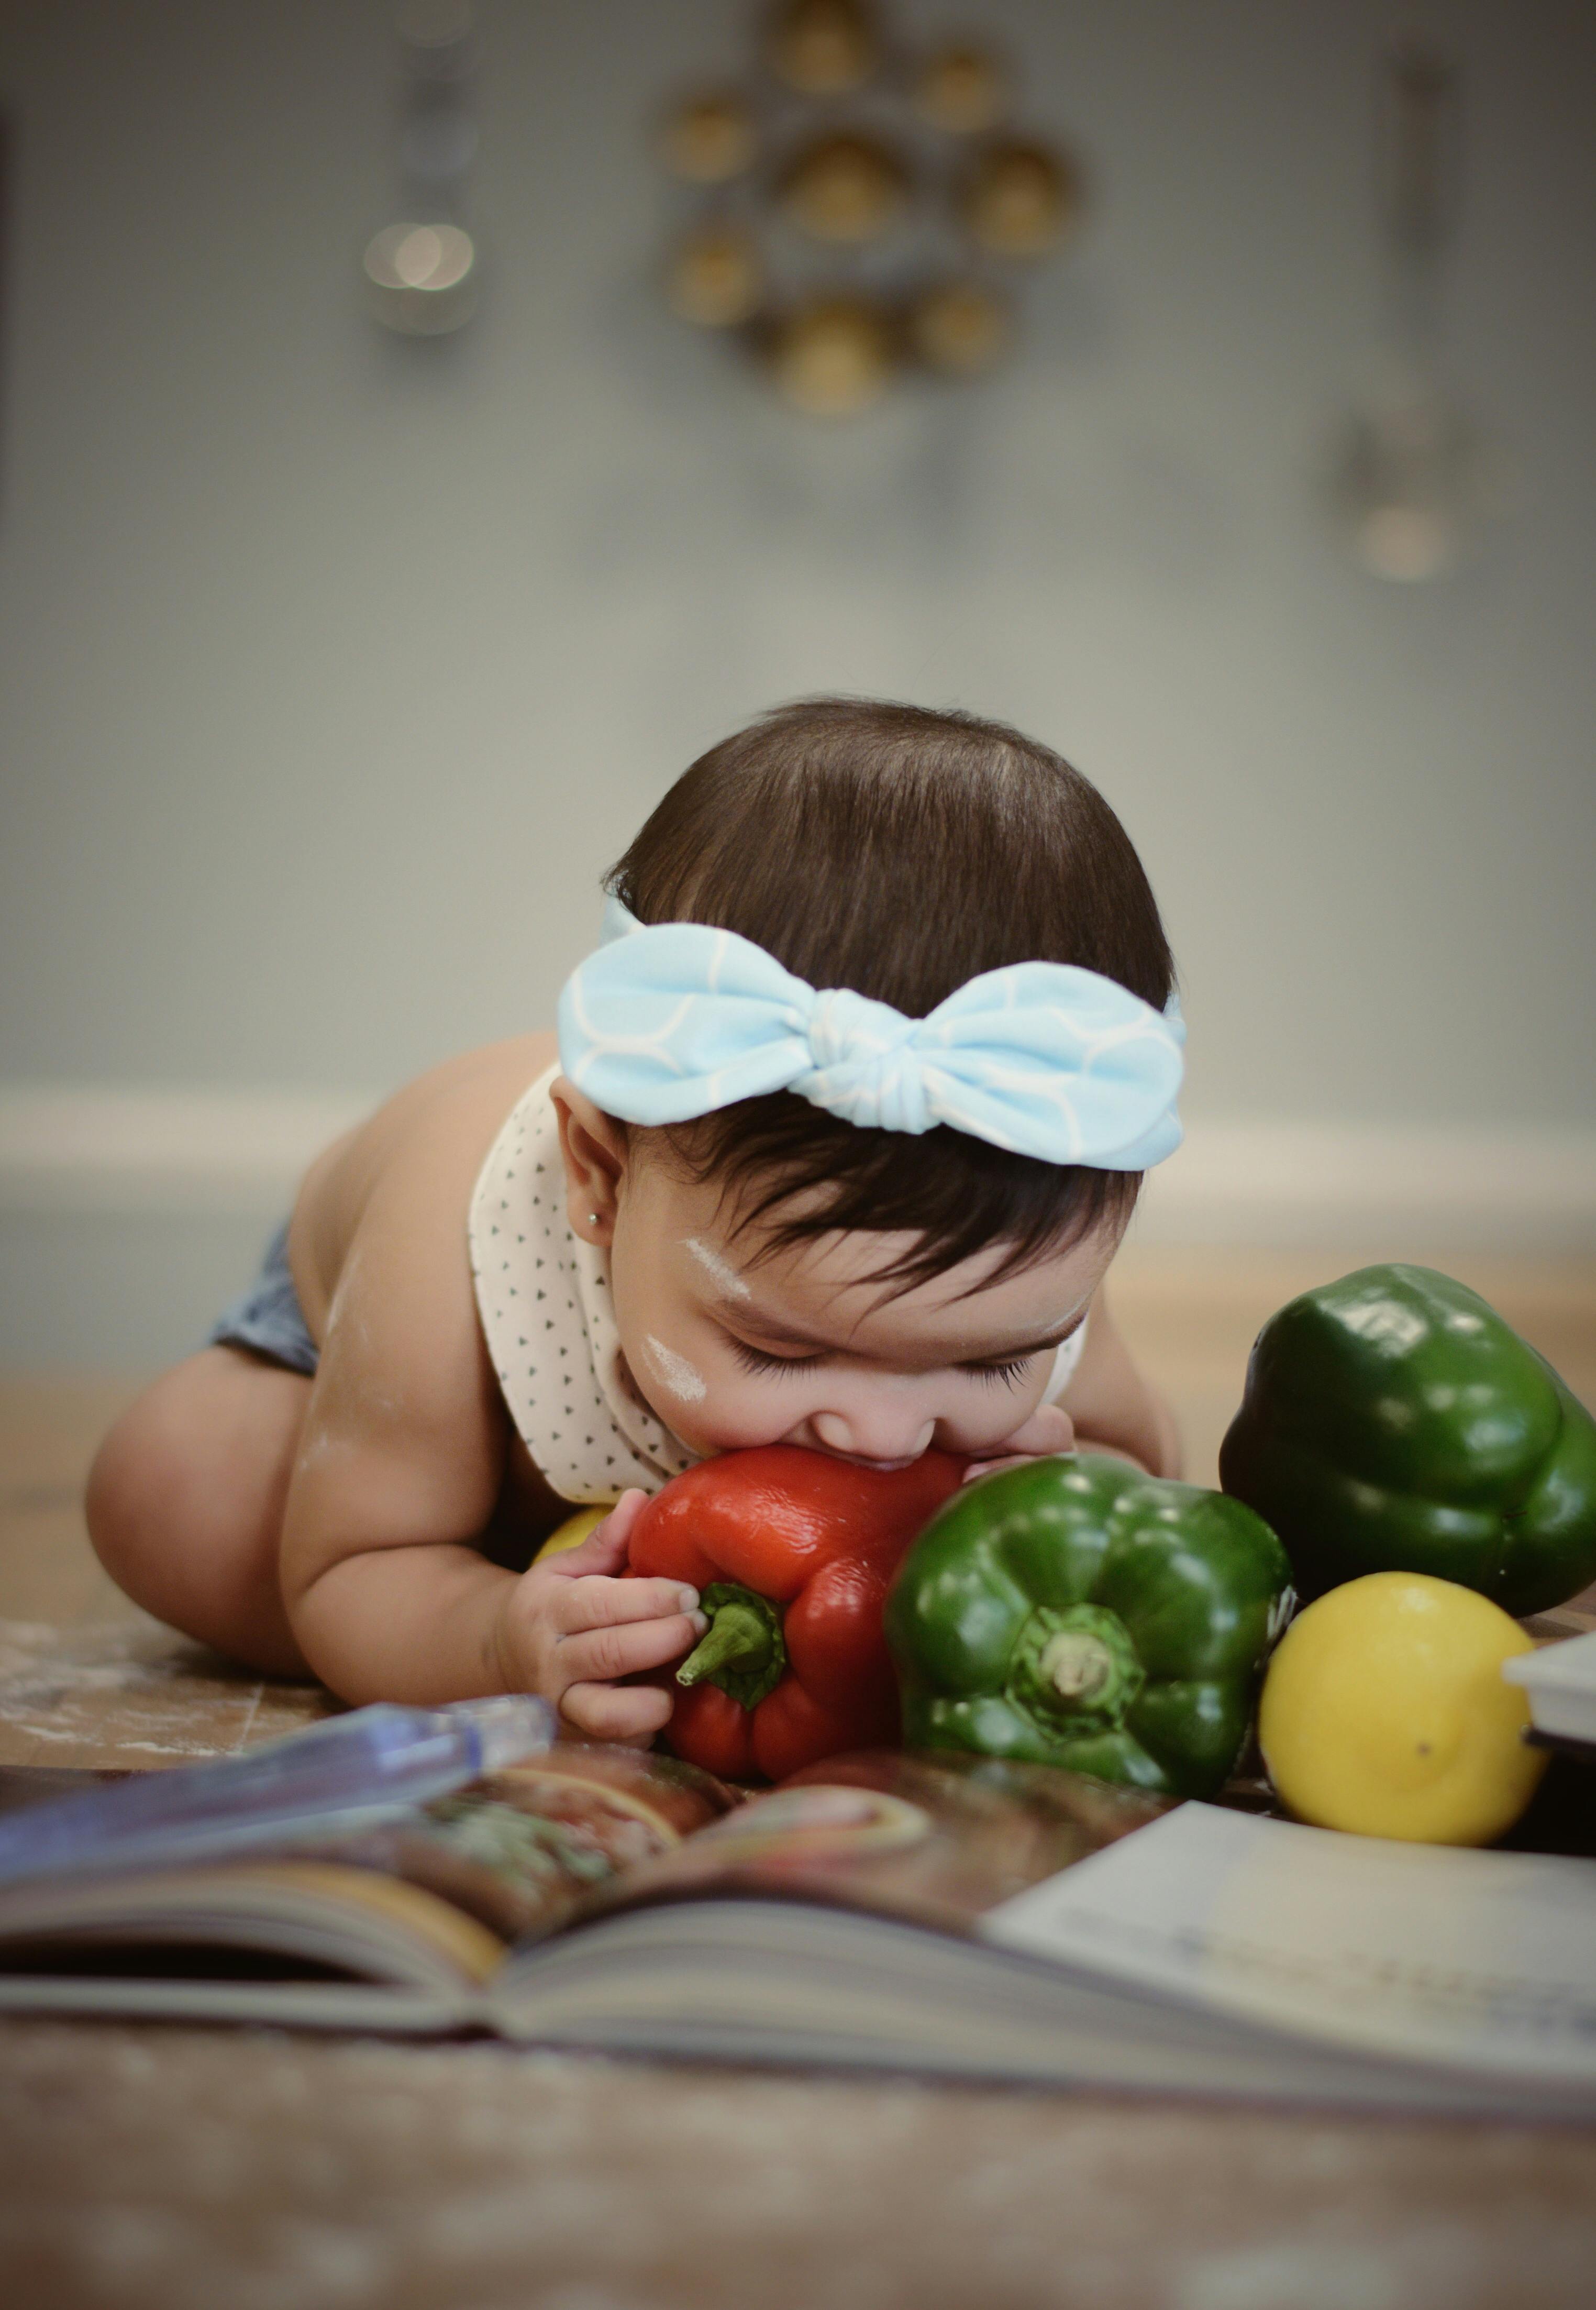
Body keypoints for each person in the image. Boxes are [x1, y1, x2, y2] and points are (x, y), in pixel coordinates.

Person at [86, 698, 1185, 1746]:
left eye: (991, 1362)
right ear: (601, 1176)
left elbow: (1141, 1461)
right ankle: (509, 1574)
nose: (888, 1434)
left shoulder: (997, 1264)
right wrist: (494, 1642)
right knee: (181, 1493)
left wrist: (1070, 1491)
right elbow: (349, 1567)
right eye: (781, 1346)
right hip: (404, 1389)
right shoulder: (454, 1235)